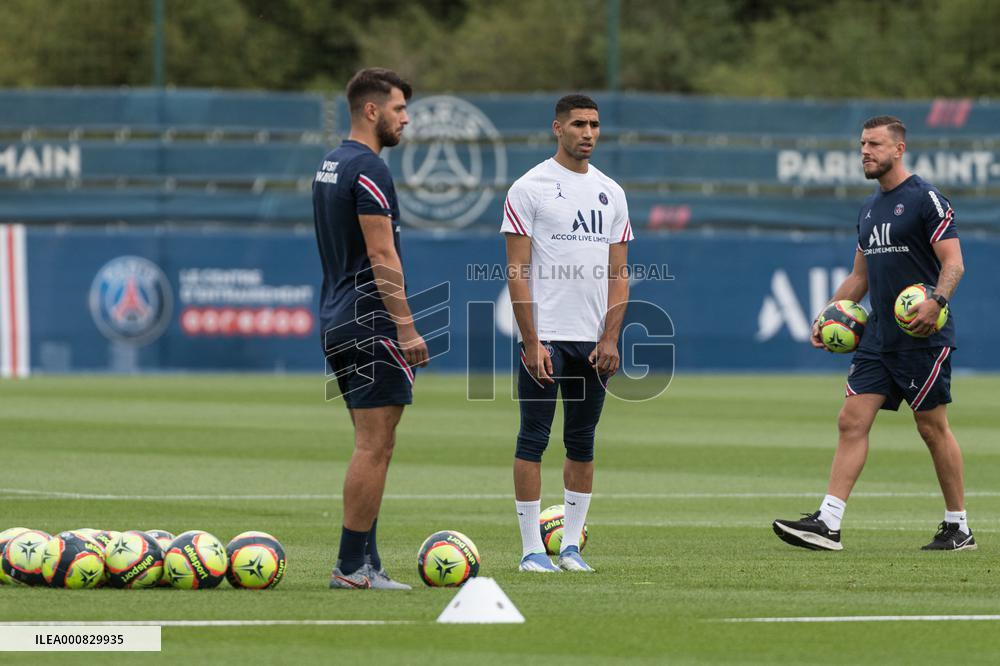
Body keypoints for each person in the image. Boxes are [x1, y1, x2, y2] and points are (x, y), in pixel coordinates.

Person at [773, 115, 970, 552]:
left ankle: (958, 526)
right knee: (851, 420)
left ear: (899, 149)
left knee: (932, 427)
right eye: (862, 144)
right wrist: (825, 315)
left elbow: (954, 263)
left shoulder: (926, 199)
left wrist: (937, 302)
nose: (865, 151)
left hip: (922, 335)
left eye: (875, 144)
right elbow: (859, 277)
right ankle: (828, 522)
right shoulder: (868, 208)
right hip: (878, 337)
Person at [501, 94, 633, 573]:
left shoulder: (611, 192)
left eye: (594, 124)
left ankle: (571, 547)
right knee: (533, 439)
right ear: (557, 128)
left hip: (593, 341)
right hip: (548, 337)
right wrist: (531, 341)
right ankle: (530, 551)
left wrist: (611, 337)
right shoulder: (529, 188)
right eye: (578, 124)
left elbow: (619, 273)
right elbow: (517, 270)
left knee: (582, 442)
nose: (588, 133)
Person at [313, 67, 429, 589]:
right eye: (399, 109)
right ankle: (350, 566)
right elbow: (382, 255)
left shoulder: (331, 164)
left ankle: (368, 562)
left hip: (338, 316)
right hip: (370, 322)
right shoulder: (369, 169)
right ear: (371, 110)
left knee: (371, 443)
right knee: (375, 446)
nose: (406, 119)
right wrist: (406, 328)